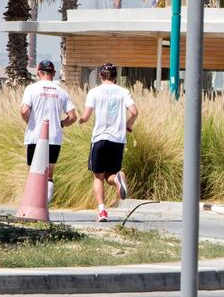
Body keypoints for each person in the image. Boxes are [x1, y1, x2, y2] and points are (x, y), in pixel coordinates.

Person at [79, 62, 138, 222]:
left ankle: (102, 211)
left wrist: (81, 120)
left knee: (98, 176)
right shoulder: (123, 91)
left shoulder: (94, 92)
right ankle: (119, 177)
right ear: (115, 77)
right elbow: (134, 111)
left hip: (99, 138)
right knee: (111, 175)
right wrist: (128, 124)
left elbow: (86, 115)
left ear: (100, 76)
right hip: (118, 140)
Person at [20, 60, 76, 203]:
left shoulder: (31, 89)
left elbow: (24, 110)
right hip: (54, 137)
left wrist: (30, 122)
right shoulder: (62, 92)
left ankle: (34, 204)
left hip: (35, 136)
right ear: (54, 73)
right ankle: (46, 202)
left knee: (34, 173)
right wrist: (61, 124)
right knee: (49, 174)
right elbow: (73, 117)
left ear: (38, 73)